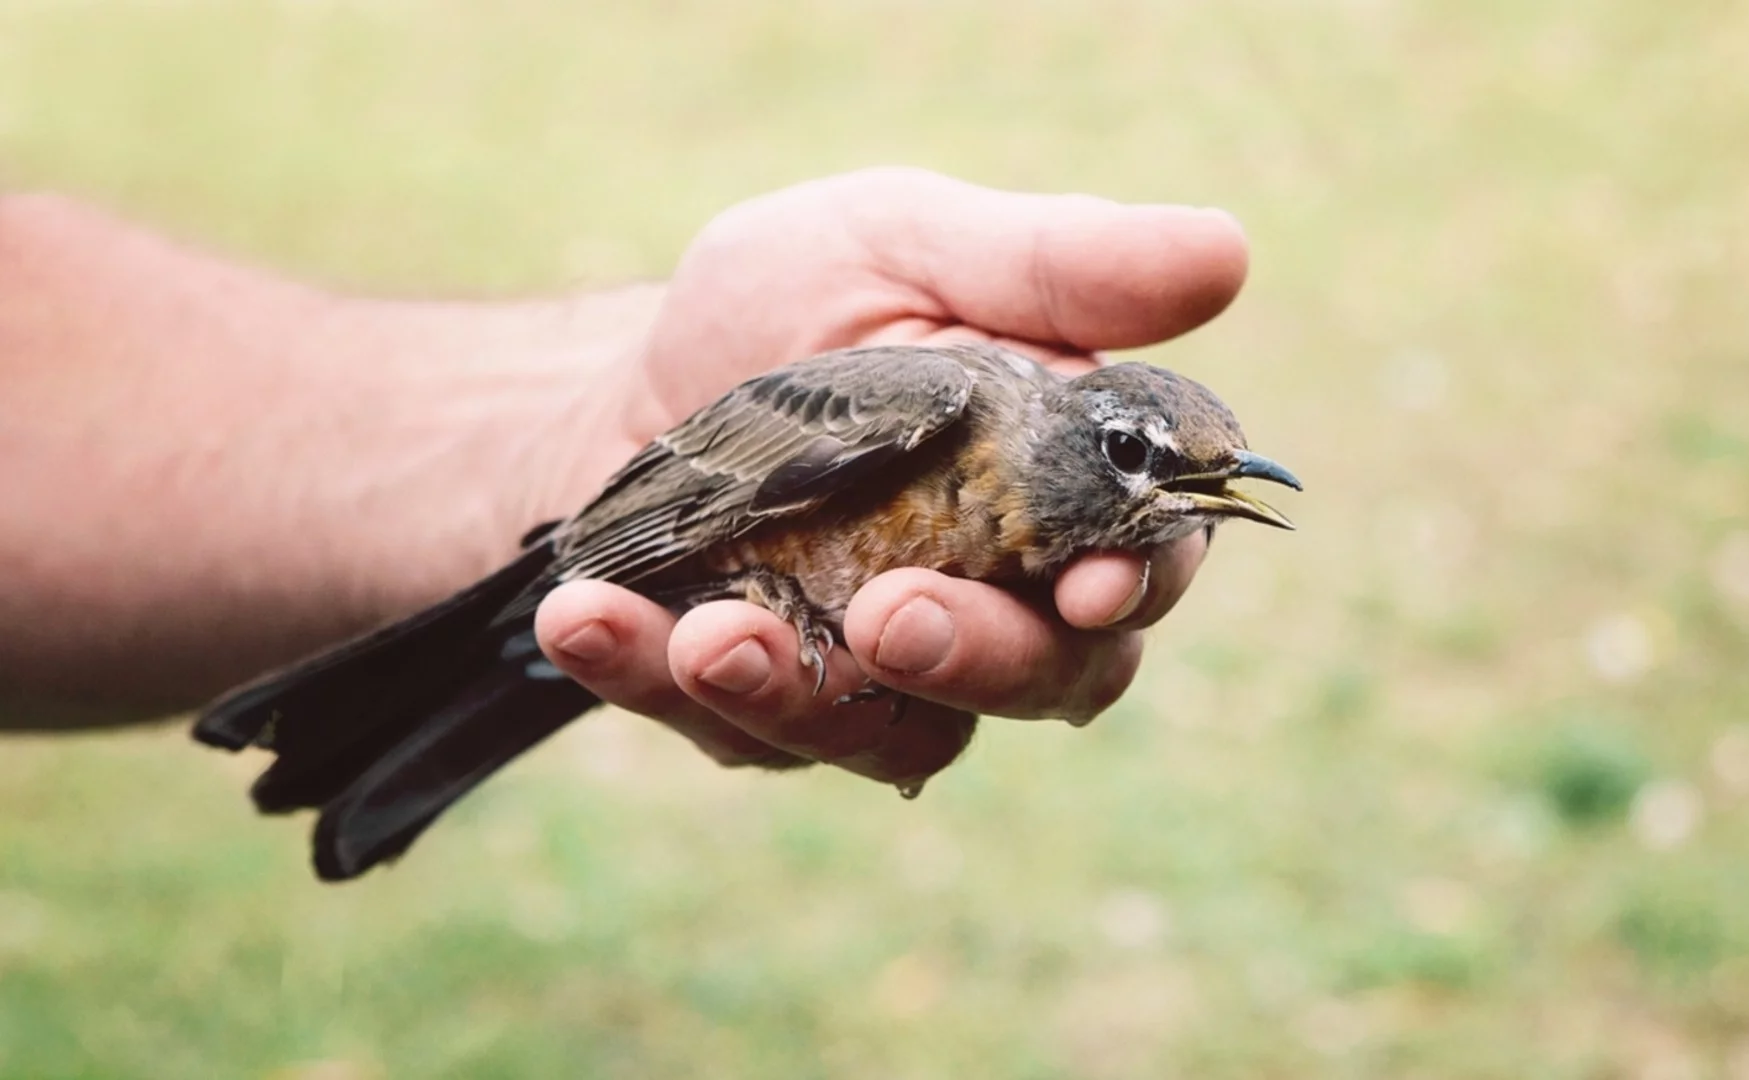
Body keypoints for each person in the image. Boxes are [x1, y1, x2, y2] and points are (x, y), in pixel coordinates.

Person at [0, 167, 1249, 790]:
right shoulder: (932, 405)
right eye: (1137, 457)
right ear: (1089, 426)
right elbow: (675, 509)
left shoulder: (1053, 519)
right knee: (533, 636)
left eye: (1203, 483)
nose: (1171, 490)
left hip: (661, 595)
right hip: (656, 551)